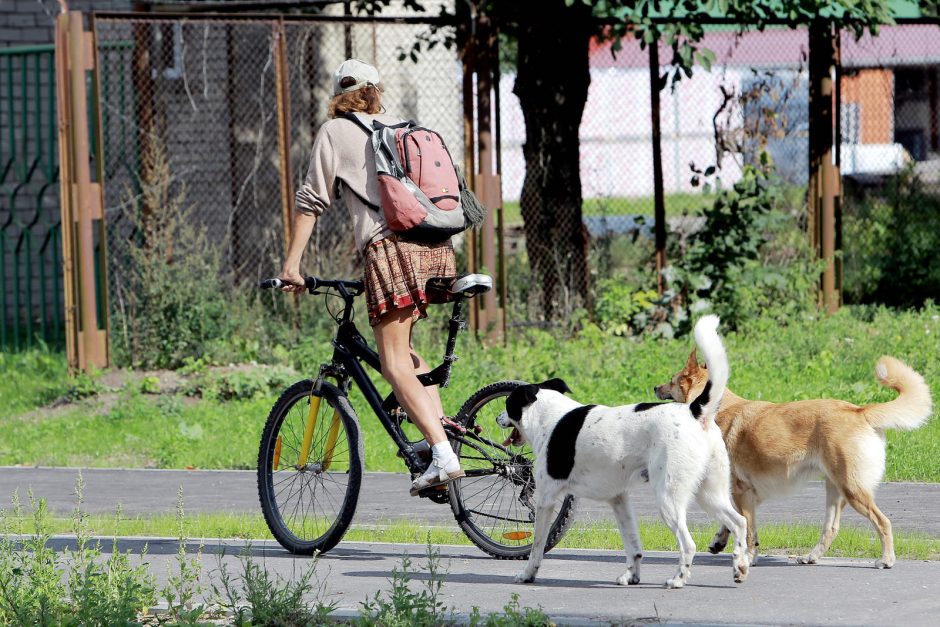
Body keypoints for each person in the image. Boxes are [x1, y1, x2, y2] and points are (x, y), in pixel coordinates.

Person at [277, 58, 463, 496]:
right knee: (407, 355)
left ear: (338, 96)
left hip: (391, 250)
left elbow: (311, 200)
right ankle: (439, 439)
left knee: (393, 362)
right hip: (437, 247)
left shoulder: (335, 132)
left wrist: (292, 267)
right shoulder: (402, 127)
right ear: (375, 91)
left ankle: (441, 453)